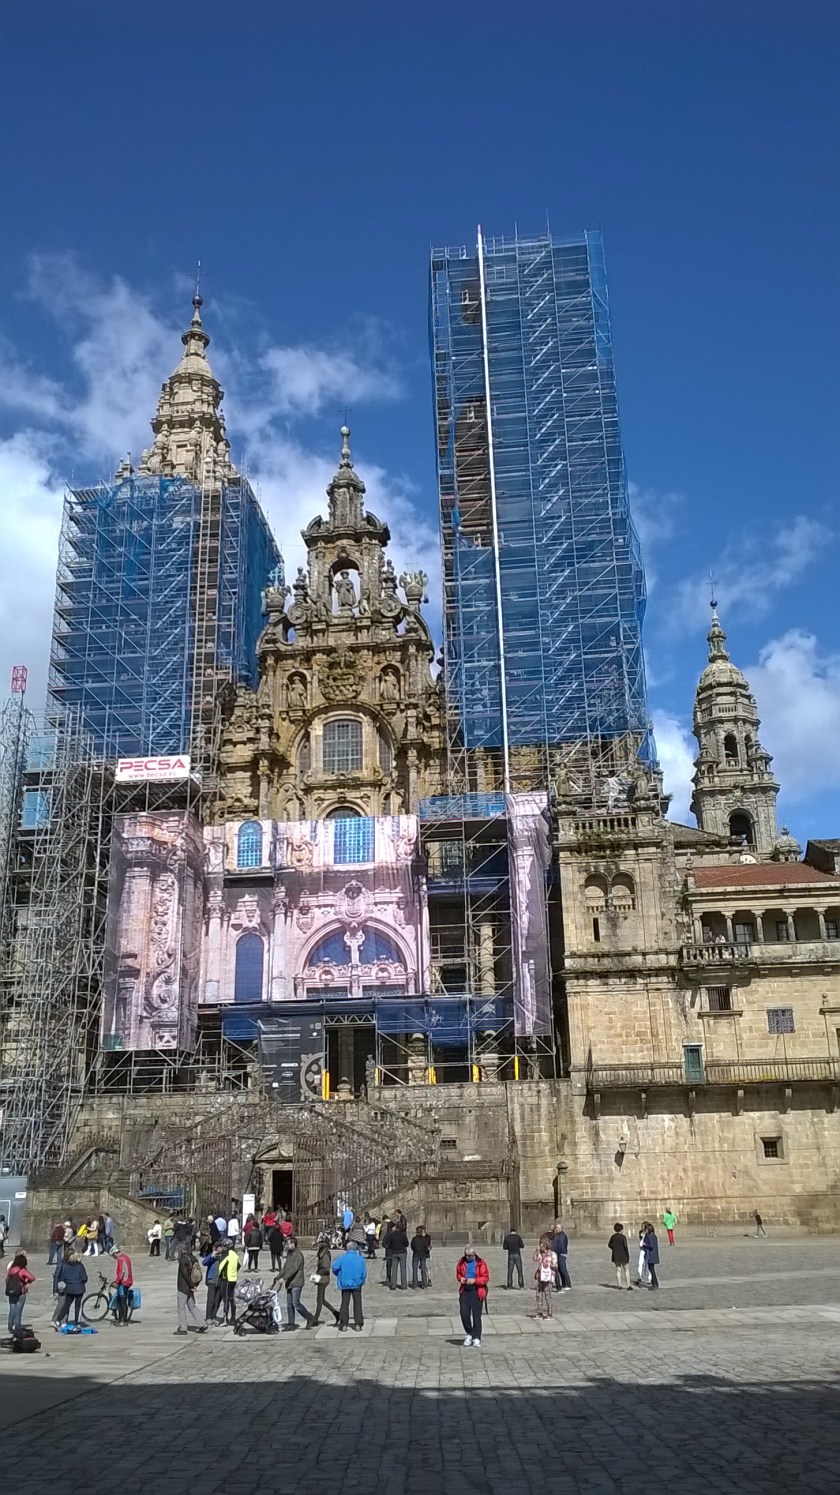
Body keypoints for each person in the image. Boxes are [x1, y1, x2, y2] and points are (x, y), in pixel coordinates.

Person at [456, 1245, 489, 1349]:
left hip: (477, 1290)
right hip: (465, 1290)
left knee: (476, 1316)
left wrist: (475, 1280)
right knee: (464, 1313)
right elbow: (458, 1274)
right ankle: (469, 1333)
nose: (468, 1257)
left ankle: (476, 1337)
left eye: (470, 1256)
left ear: (474, 1254)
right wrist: (461, 1279)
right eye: (466, 1256)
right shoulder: (461, 1262)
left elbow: (485, 1278)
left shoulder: (481, 1263)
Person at [280, 1236, 314, 1331]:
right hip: (290, 1283)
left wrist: (284, 1278)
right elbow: (286, 1268)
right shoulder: (290, 1254)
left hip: (296, 1282)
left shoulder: (298, 1255)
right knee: (289, 1304)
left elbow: (294, 1269)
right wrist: (278, 1276)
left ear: (293, 1244)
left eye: (289, 1244)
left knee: (296, 1303)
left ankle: (309, 1316)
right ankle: (291, 1323)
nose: (287, 1245)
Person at [332, 1240, 367, 1331]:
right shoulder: (360, 1259)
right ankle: (358, 1324)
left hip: (345, 1283)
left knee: (344, 1303)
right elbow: (364, 1272)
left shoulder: (342, 1258)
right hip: (357, 1283)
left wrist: (339, 1274)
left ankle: (344, 1324)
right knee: (357, 1304)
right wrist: (362, 1280)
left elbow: (334, 1267)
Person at [175, 1244, 207, 1335]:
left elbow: (185, 1274)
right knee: (192, 1306)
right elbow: (197, 1273)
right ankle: (202, 1324)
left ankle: (183, 1328)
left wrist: (190, 1285)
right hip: (190, 1287)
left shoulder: (183, 1260)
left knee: (181, 1307)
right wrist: (193, 1285)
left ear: (182, 1250)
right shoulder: (193, 1258)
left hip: (183, 1287)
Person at [309, 1232, 340, 1326]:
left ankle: (315, 1319)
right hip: (321, 1279)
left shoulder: (325, 1254)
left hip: (324, 1279)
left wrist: (317, 1274)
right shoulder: (321, 1253)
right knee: (321, 1300)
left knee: (320, 1300)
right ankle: (335, 1313)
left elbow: (326, 1268)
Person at [52, 1251, 88, 1329]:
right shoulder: (80, 1266)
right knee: (78, 1305)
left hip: (69, 1288)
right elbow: (84, 1278)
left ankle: (58, 1320)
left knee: (66, 1305)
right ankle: (77, 1323)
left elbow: (64, 1277)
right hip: (79, 1289)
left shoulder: (67, 1265)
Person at [5, 1251, 35, 1336]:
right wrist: (26, 1282)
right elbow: (32, 1278)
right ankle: (17, 1328)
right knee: (18, 1312)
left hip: (11, 1292)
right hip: (20, 1292)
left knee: (12, 1311)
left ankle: (10, 1327)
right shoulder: (22, 1271)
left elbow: (6, 1280)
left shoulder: (10, 1271)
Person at [533, 1236, 557, 1319]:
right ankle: (539, 1312)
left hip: (549, 1277)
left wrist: (549, 1266)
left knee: (547, 1295)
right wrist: (536, 1252)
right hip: (541, 1276)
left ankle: (549, 1313)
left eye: (542, 1245)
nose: (540, 1247)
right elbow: (535, 1259)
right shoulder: (540, 1254)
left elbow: (556, 1266)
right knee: (538, 1294)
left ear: (546, 1246)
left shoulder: (552, 1254)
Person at [217, 1241, 240, 1325]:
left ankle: (225, 1319)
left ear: (226, 1247)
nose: (221, 1248)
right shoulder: (234, 1253)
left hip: (226, 1279)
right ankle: (233, 1318)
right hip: (233, 1279)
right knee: (232, 1299)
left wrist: (221, 1275)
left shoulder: (226, 1254)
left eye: (223, 1246)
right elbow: (239, 1265)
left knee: (225, 1299)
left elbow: (221, 1266)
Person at [202, 1244, 224, 1324]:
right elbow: (204, 1262)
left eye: (220, 1248)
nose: (219, 1250)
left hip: (220, 1280)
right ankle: (208, 1317)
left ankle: (214, 1315)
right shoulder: (212, 1257)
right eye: (217, 1248)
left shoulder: (223, 1257)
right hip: (212, 1280)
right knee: (210, 1299)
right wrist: (212, 1255)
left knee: (217, 1300)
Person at [112, 1245, 134, 1324]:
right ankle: (123, 1318)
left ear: (115, 1253)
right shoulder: (126, 1257)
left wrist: (116, 1281)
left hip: (124, 1282)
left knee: (122, 1300)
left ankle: (122, 1319)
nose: (113, 1258)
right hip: (128, 1281)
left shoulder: (121, 1259)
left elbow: (121, 1272)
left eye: (113, 1256)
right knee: (123, 1300)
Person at [608, 1223, 632, 1291]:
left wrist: (614, 1248)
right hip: (623, 1255)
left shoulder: (613, 1237)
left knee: (618, 1270)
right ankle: (628, 1285)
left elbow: (609, 1244)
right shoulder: (623, 1237)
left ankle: (619, 1285)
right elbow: (625, 1247)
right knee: (626, 1270)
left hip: (616, 1255)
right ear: (621, 1229)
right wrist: (627, 1255)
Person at [386, 1217, 408, 1291]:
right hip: (402, 1252)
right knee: (403, 1269)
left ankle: (393, 1285)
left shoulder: (392, 1235)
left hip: (394, 1252)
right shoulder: (403, 1235)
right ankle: (404, 1285)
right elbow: (406, 1244)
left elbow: (389, 1244)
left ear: (396, 1227)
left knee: (394, 1269)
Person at [550, 1219, 571, 1292]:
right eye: (556, 1228)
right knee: (559, 1270)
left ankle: (568, 1284)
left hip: (561, 1254)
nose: (557, 1229)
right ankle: (564, 1284)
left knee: (563, 1269)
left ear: (561, 1228)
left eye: (558, 1228)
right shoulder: (558, 1235)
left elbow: (561, 1246)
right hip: (558, 1254)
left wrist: (556, 1253)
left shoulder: (562, 1236)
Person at [410, 1225, 431, 1290]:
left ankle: (415, 1285)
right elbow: (426, 1247)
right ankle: (424, 1285)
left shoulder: (414, 1239)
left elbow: (412, 1247)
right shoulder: (424, 1239)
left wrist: (416, 1250)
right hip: (423, 1255)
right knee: (423, 1270)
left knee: (415, 1270)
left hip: (416, 1254)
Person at [643, 1223, 660, 1290]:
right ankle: (654, 1283)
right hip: (654, 1255)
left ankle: (655, 1284)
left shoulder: (650, 1236)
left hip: (651, 1255)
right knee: (651, 1270)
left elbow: (651, 1246)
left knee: (652, 1270)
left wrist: (645, 1245)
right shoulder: (654, 1236)